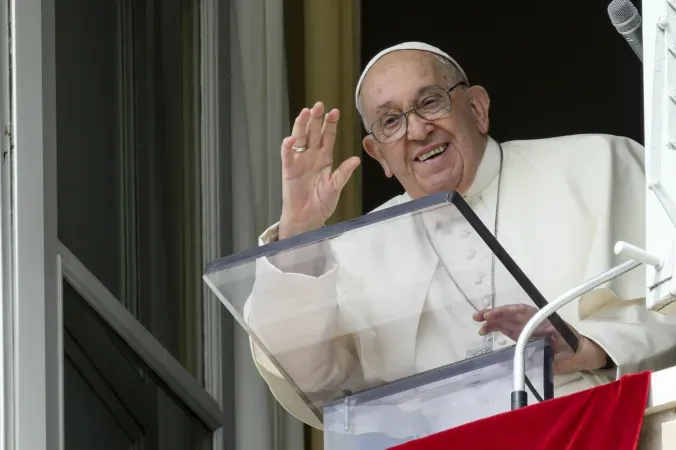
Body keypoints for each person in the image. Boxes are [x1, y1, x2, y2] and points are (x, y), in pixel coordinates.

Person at [243, 42, 676, 430]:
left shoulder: (601, 164)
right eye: (390, 121)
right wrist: (299, 231)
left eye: (430, 102)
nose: (416, 130)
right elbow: (312, 380)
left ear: (477, 108)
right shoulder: (356, 247)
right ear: (379, 155)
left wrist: (589, 346)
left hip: (596, 429)